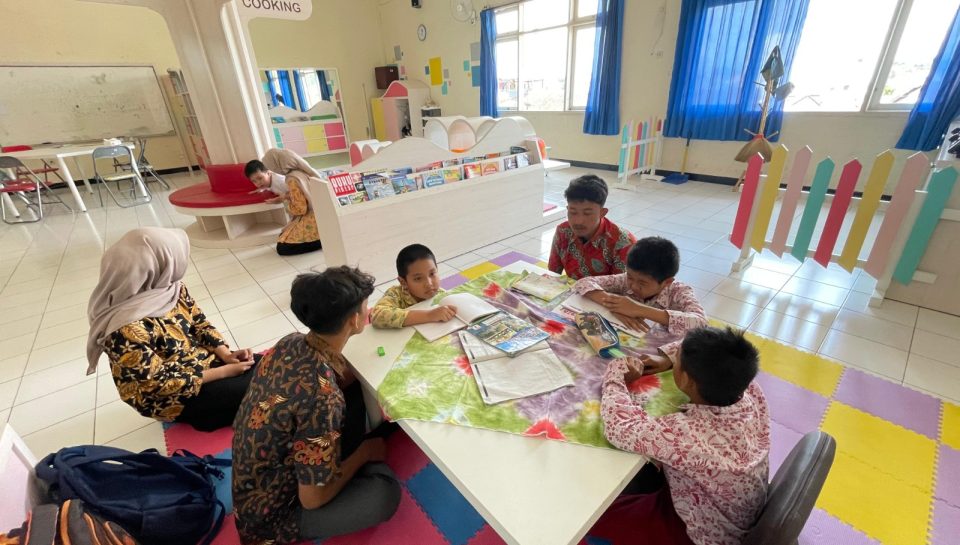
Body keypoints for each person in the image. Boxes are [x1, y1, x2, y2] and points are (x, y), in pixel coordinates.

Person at [232, 266, 401, 545]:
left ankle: (348, 461)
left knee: (359, 393)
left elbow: (332, 377)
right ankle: (360, 466)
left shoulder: (291, 342)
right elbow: (312, 499)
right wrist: (365, 453)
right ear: (353, 320)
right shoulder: (324, 400)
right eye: (366, 306)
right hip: (275, 519)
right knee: (385, 495)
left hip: (256, 479)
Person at [597, 326, 769, 545]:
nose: (676, 358)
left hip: (701, 532)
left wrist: (615, 375)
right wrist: (667, 359)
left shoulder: (685, 434)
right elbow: (698, 350)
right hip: (737, 516)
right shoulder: (750, 391)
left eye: (677, 361)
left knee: (593, 516)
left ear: (688, 381)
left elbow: (618, 428)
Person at [86, 227, 256, 432]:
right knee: (259, 386)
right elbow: (158, 384)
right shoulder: (124, 328)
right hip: (173, 394)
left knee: (268, 366)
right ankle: (206, 415)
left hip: (202, 364)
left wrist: (226, 355)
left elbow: (200, 323)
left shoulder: (170, 288)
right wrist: (223, 372)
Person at [571, 236, 706, 340]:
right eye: (630, 277)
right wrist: (615, 306)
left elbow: (700, 322)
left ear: (666, 282)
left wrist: (638, 309)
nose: (633, 285)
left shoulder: (680, 291)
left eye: (642, 283)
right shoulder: (625, 280)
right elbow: (583, 283)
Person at [548, 174, 636, 280]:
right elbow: (552, 274)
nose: (578, 221)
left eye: (587, 213)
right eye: (573, 212)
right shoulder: (563, 231)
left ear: (602, 213)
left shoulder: (623, 244)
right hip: (570, 293)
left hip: (605, 296)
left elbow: (622, 289)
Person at [245, 148, 322, 256]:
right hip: (316, 213)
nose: (271, 170)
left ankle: (322, 240)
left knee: (282, 247)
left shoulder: (291, 179)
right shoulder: (299, 172)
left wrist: (285, 204)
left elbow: (300, 208)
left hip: (312, 216)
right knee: (284, 235)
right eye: (254, 181)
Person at [369, 243, 458, 328]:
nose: (429, 283)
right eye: (418, 278)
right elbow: (376, 315)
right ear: (403, 282)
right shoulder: (395, 294)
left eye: (432, 274)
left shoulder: (440, 294)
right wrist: (429, 315)